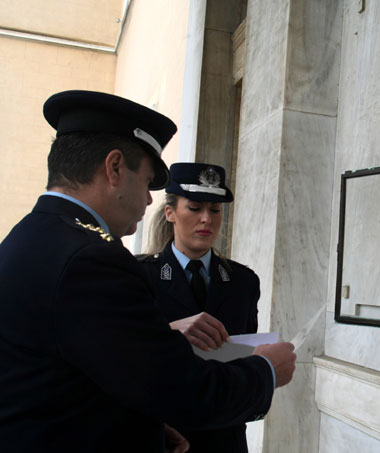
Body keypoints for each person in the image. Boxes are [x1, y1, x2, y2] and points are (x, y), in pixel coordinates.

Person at [0, 90, 296, 453]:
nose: (149, 198)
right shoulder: (93, 260)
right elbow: (184, 391)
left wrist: (140, 427)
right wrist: (266, 370)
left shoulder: (31, 236)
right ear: (114, 168)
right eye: (145, 181)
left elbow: (75, 373)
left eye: (215, 210)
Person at [138, 162, 260, 452]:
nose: (206, 219)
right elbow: (121, 356)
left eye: (215, 210)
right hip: (163, 434)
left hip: (225, 436)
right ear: (170, 213)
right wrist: (169, 333)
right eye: (194, 208)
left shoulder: (243, 281)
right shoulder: (139, 275)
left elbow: (243, 354)